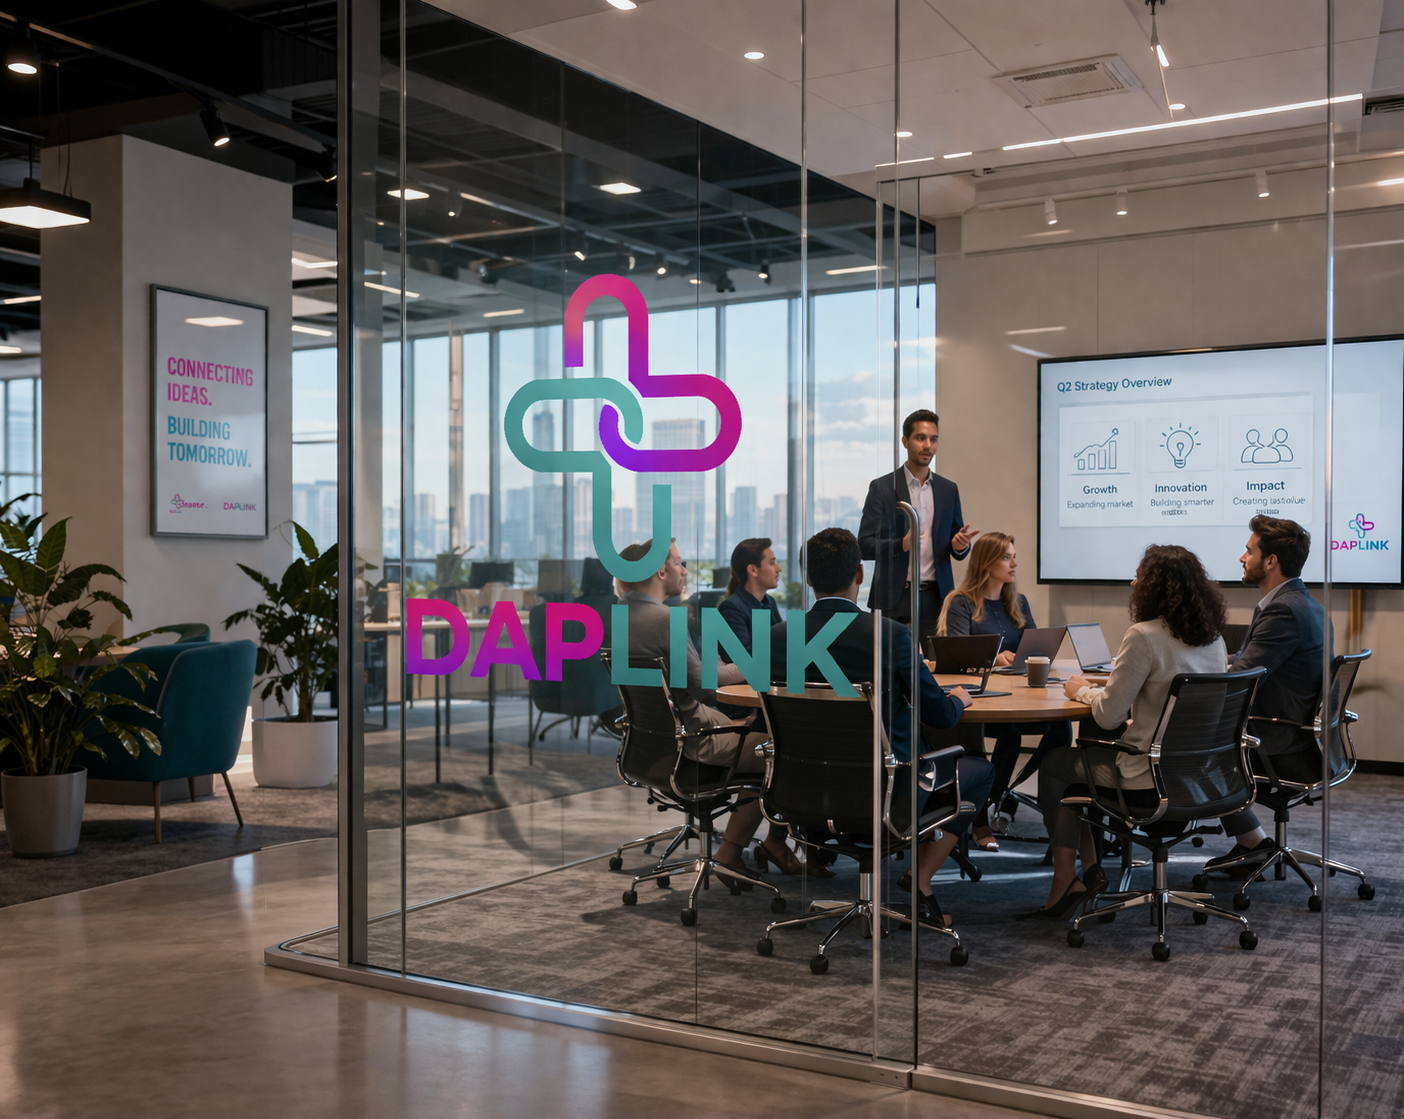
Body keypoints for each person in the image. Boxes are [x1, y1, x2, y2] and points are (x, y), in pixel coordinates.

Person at [769, 528, 995, 928]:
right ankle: (921, 882)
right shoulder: (891, 635)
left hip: (803, 794)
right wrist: (960, 698)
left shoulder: (778, 638)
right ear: (860, 573)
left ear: (807, 577)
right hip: (886, 794)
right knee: (980, 769)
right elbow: (940, 715)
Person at [1029, 545, 1228, 920]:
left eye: (1140, 575)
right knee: (1078, 770)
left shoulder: (1144, 636)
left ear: (1153, 587)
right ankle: (1087, 873)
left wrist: (1080, 690)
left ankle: (1069, 879)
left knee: (1057, 765)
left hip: (1146, 780)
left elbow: (1106, 716)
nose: (1133, 582)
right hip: (1194, 777)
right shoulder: (1215, 640)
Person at [615, 537, 797, 883]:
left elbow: (686, 682)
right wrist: (752, 664)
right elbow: (705, 689)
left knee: (758, 733)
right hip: (696, 745)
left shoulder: (623, 618)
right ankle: (733, 852)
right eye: (680, 563)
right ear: (660, 569)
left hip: (654, 746)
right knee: (781, 751)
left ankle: (746, 848)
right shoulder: (666, 619)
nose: (684, 570)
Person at [1203, 516, 1327, 875]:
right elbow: (1249, 659)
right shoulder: (1308, 605)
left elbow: (1241, 679)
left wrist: (1187, 673)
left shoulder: (1283, 610)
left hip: (1277, 744)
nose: (1243, 558)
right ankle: (1251, 842)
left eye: (1249, 550)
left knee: (1191, 747)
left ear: (1270, 561)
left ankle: (1252, 843)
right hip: (1298, 738)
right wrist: (1215, 658)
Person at [935, 532, 1071, 851]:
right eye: (1006, 557)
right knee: (1009, 735)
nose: (1014, 563)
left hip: (1018, 698)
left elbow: (1034, 646)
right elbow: (954, 656)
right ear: (987, 563)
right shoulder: (960, 602)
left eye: (1014, 556)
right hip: (977, 703)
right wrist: (992, 660)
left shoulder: (1017, 602)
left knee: (1061, 727)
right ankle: (981, 817)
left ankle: (1005, 793)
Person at [858, 409, 977, 638]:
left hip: (937, 598)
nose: (928, 445)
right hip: (894, 598)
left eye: (933, 439)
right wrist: (900, 545)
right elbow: (864, 545)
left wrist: (960, 546)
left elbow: (955, 545)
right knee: (890, 669)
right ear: (905, 441)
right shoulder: (882, 488)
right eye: (920, 438)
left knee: (939, 669)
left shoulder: (947, 489)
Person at [717, 537, 783, 661]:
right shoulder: (731, 609)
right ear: (753, 570)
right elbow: (742, 660)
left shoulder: (769, 602)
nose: (779, 568)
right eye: (772, 562)